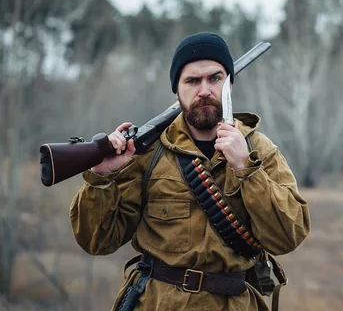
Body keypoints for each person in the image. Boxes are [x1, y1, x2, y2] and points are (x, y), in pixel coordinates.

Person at [69, 32, 311, 311]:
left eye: (215, 78)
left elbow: (289, 235)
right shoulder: (147, 152)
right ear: (177, 89)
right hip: (159, 303)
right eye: (193, 81)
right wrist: (101, 178)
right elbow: (97, 241)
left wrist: (246, 169)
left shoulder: (259, 149)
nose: (204, 90)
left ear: (229, 86)